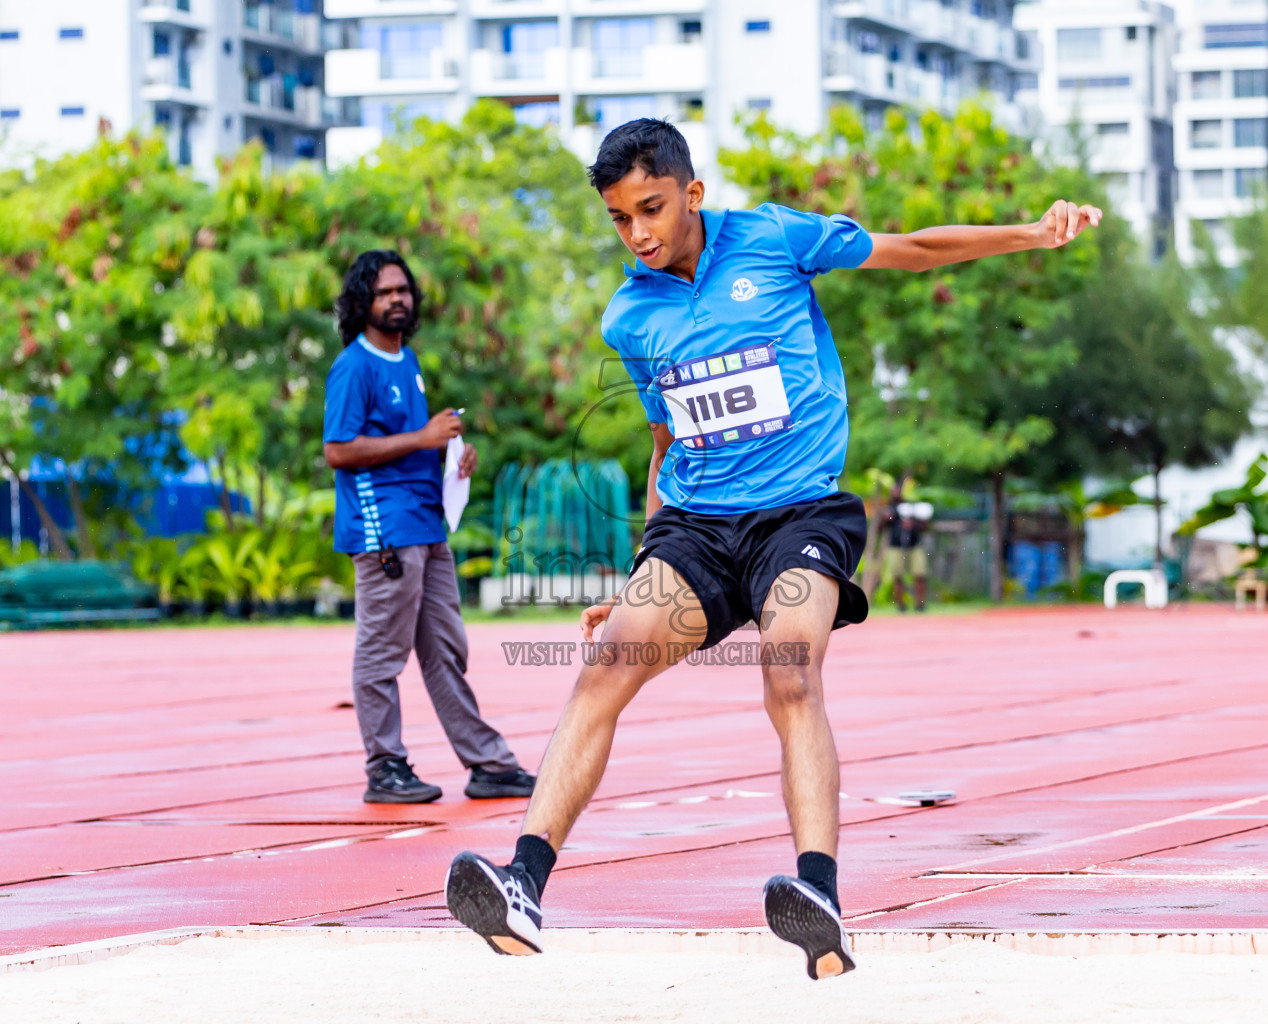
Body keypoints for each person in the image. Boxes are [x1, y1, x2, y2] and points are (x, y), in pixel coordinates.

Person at [444, 120, 1100, 978]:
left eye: (651, 208)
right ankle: (522, 885)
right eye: (618, 219)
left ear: (692, 193)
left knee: (790, 671)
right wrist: (647, 566)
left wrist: (1030, 233)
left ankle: (818, 894)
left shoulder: (774, 239)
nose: (638, 232)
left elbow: (915, 250)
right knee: (605, 666)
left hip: (802, 516)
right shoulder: (629, 316)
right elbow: (662, 443)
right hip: (699, 529)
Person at [323, 250, 535, 805]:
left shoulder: (407, 360)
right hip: (384, 531)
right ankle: (385, 766)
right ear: (362, 302)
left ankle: (488, 765)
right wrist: (422, 439)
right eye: (385, 291)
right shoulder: (355, 365)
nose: (398, 299)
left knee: (446, 648)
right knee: (381, 654)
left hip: (426, 523)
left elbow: (410, 445)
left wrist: (453, 457)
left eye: (404, 290)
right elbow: (338, 450)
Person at [880, 490, 932, 613]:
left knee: (920, 574)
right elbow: (880, 528)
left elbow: (926, 526)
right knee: (898, 576)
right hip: (896, 547)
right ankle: (900, 605)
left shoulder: (912, 508)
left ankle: (920, 604)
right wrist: (885, 518)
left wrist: (912, 524)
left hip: (914, 546)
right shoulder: (889, 509)